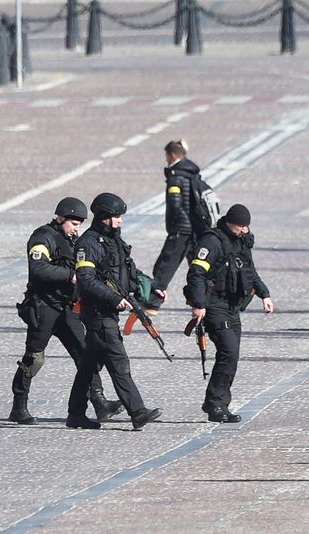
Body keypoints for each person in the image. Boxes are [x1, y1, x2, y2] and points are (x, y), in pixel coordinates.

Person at [10, 197, 123, 425]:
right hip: (44, 307)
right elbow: (38, 267)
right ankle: (19, 407)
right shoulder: (43, 237)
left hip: (68, 308)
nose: (77, 228)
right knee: (34, 359)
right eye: (73, 223)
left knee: (86, 355)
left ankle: (99, 402)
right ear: (60, 218)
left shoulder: (74, 241)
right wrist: (69, 276)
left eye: (80, 224)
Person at [66, 192, 164, 430]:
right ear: (103, 218)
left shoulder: (113, 240)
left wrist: (153, 288)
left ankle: (75, 413)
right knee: (119, 362)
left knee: (89, 366)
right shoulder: (88, 243)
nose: (120, 221)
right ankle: (137, 412)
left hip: (108, 311)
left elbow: (128, 273)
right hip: (98, 312)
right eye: (116, 217)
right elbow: (86, 278)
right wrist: (114, 298)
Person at [185, 204, 273, 423]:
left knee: (231, 358)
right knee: (228, 353)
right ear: (229, 223)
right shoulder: (211, 242)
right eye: (240, 226)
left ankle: (217, 403)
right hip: (214, 306)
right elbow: (196, 274)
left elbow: (250, 271)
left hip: (233, 307)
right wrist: (198, 304)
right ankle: (215, 403)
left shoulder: (240, 240)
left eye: (246, 226)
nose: (244, 230)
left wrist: (265, 294)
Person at [145, 139, 205, 314]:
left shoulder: (176, 176)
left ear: (171, 155)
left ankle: (151, 304)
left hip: (181, 228)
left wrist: (172, 225)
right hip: (194, 228)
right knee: (198, 268)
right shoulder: (192, 173)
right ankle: (205, 300)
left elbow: (174, 204)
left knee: (164, 266)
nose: (166, 160)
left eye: (166, 156)